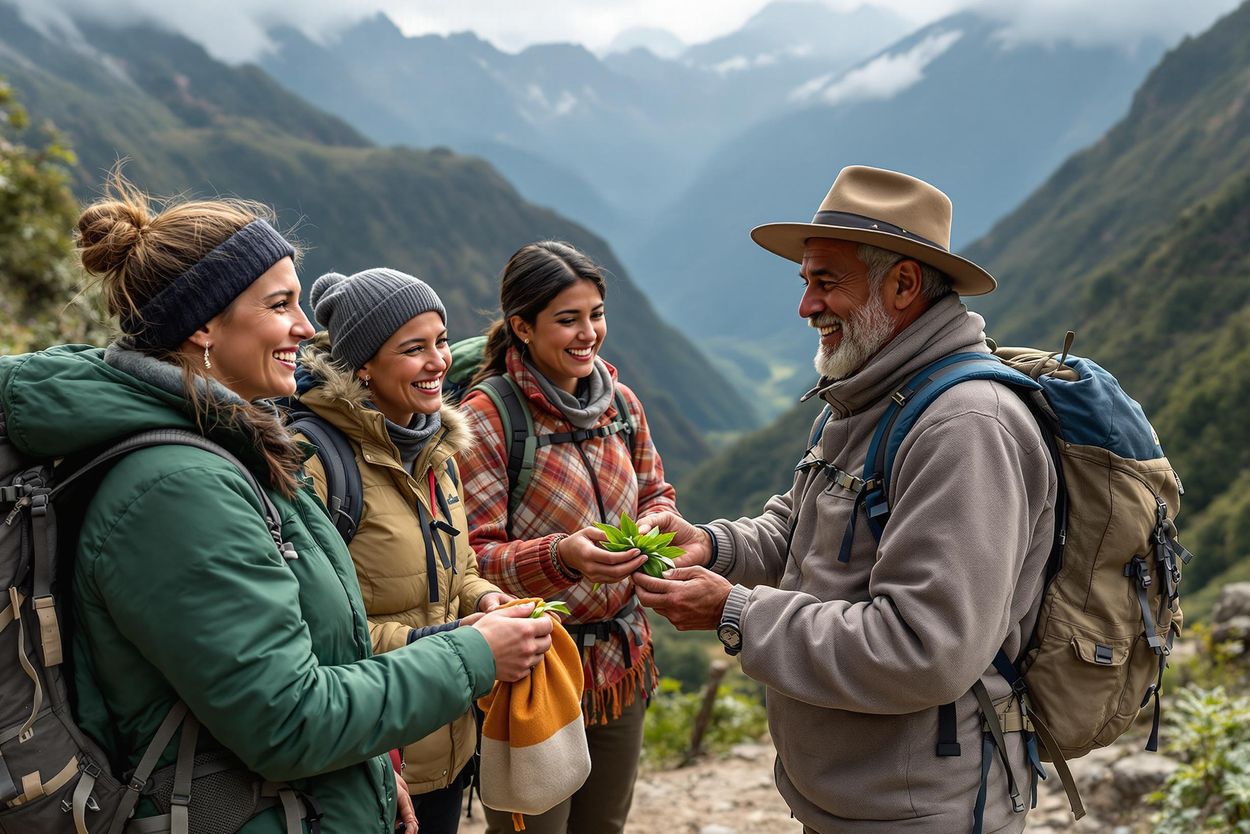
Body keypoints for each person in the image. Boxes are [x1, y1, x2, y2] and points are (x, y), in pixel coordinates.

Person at [0, 173, 553, 833]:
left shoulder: (228, 450)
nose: (303, 326)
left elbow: (301, 665)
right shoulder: (177, 490)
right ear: (205, 324)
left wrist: (369, 772)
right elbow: (288, 721)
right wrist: (475, 654)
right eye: (280, 304)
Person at [632, 166, 1056, 834]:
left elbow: (925, 647)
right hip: (858, 798)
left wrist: (735, 611)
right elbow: (804, 527)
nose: (806, 307)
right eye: (805, 282)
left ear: (904, 284)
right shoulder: (868, 393)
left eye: (826, 282)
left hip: (919, 811)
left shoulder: (965, 428)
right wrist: (714, 546)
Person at [456, 241, 680, 834]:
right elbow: (469, 557)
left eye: (597, 313)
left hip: (619, 659)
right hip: (533, 666)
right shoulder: (488, 418)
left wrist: (655, 524)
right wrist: (563, 556)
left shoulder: (621, 404)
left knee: (602, 826)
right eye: (568, 319)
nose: (589, 333)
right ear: (522, 327)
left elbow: (657, 491)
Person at [292, 267, 515, 834]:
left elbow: (457, 568)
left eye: (441, 341)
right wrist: (447, 643)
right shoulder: (312, 463)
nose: (439, 361)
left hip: (444, 736)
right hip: (368, 750)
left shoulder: (436, 449)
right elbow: (307, 632)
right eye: (413, 348)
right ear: (364, 365)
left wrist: (487, 601)